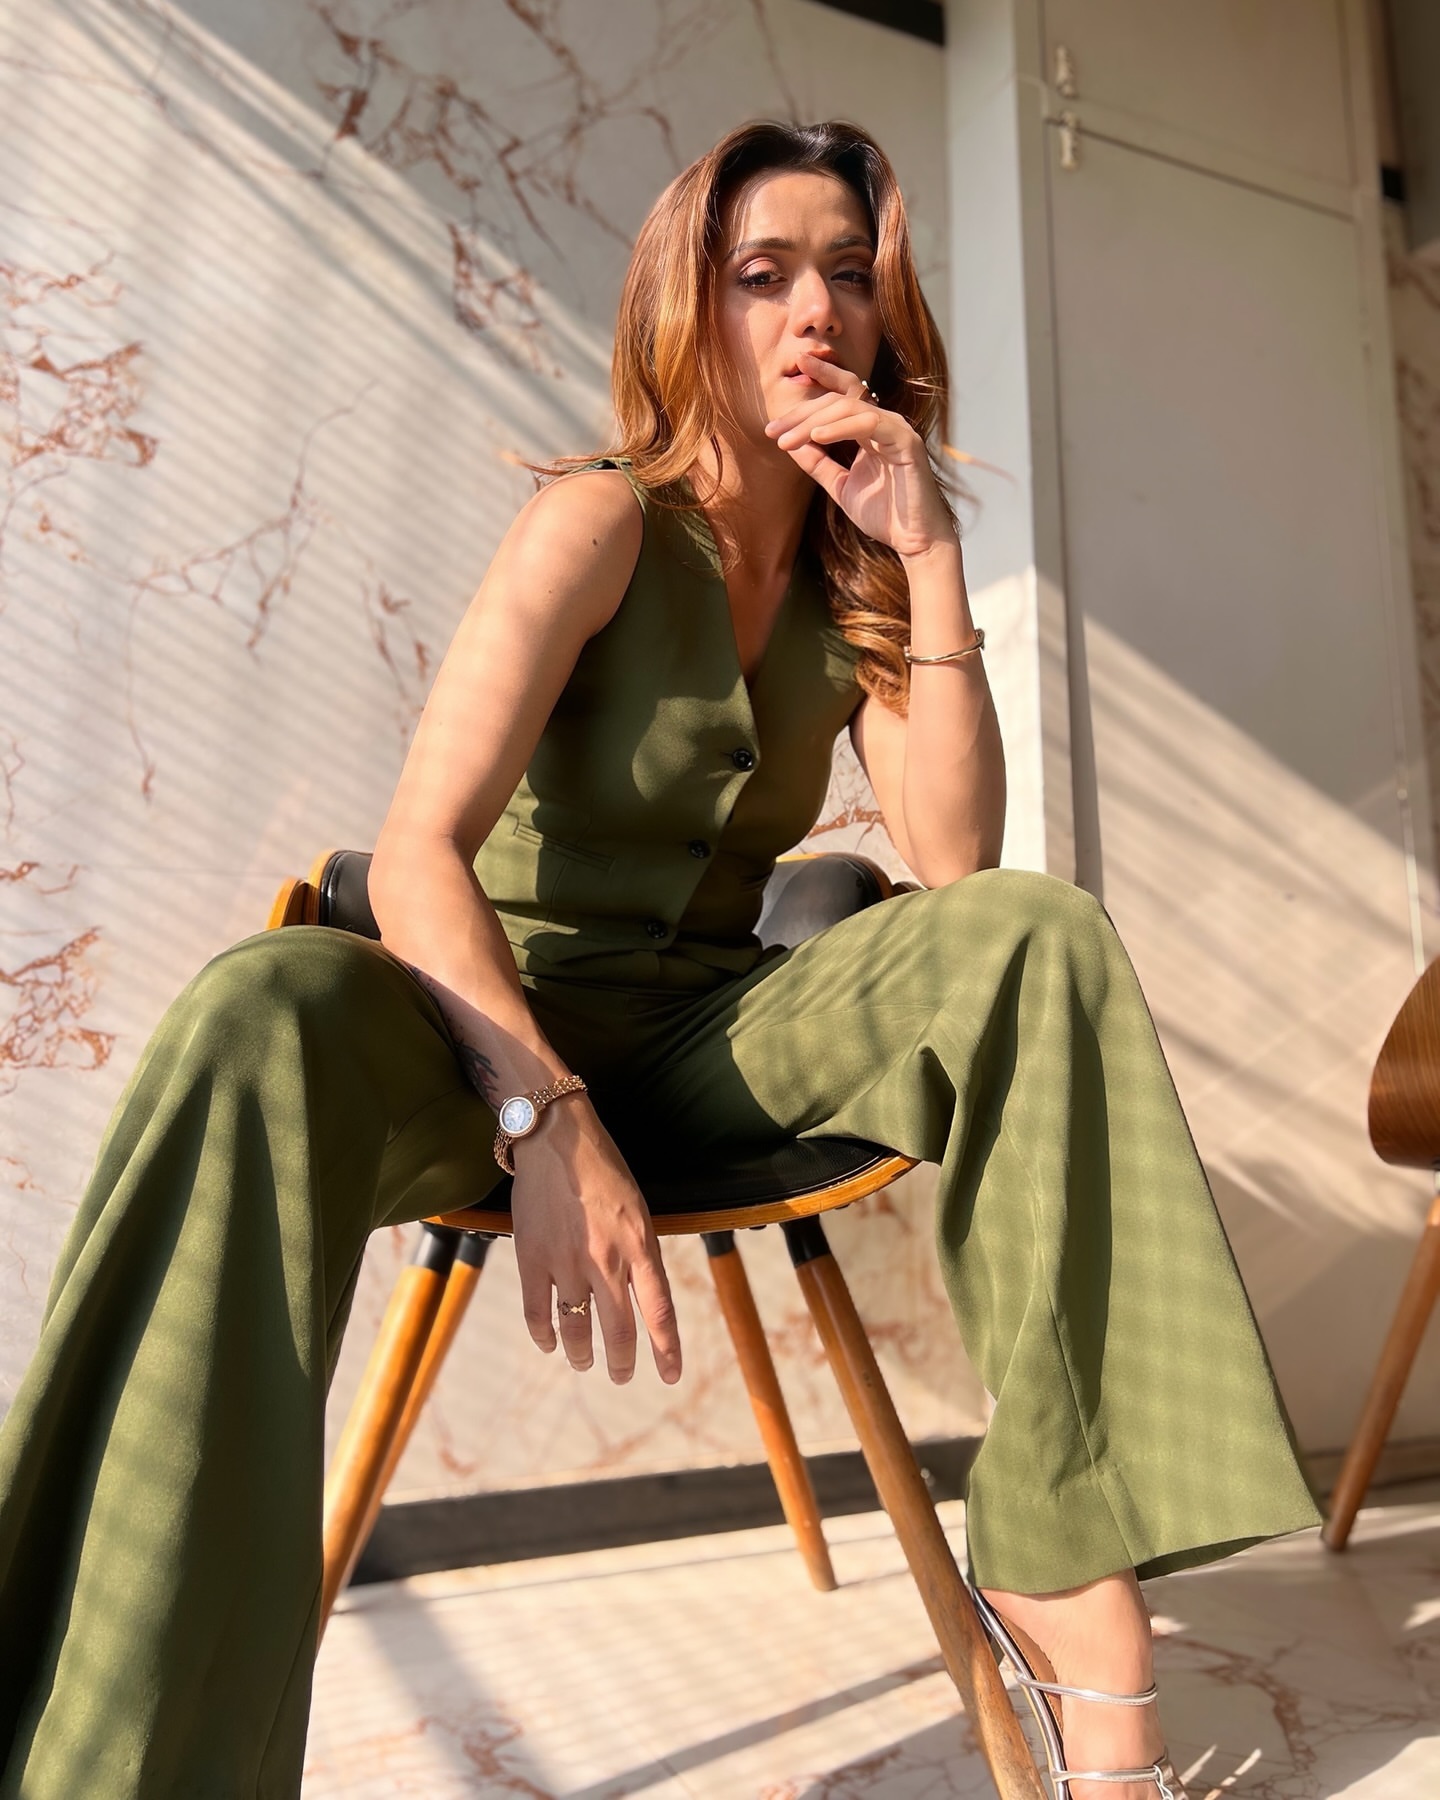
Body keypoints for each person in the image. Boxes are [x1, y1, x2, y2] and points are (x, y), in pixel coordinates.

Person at [0, 119, 1320, 1800]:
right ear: (689, 307)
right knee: (260, 1005)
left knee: (1031, 937)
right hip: (478, 1038)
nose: (816, 312)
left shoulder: (854, 577)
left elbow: (957, 863)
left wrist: (926, 554)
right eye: (763, 274)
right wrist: (545, 1121)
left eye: (850, 275)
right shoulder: (598, 522)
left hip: (707, 1038)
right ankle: (96, 1742)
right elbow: (419, 849)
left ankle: (1073, 1579)